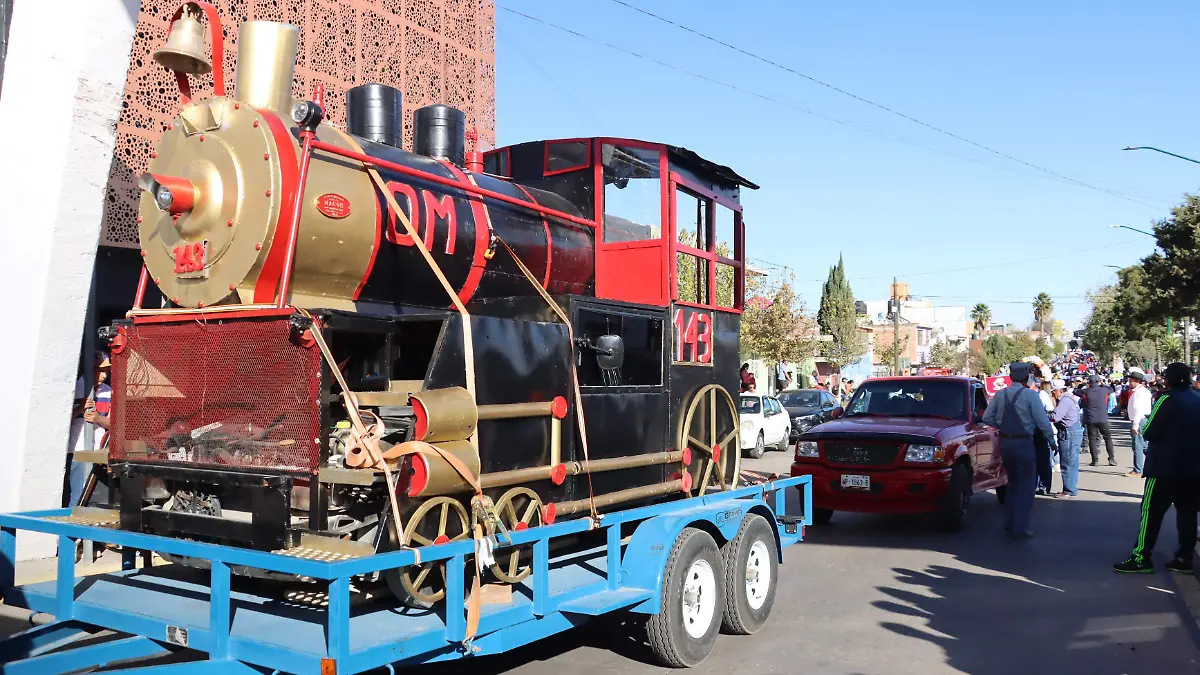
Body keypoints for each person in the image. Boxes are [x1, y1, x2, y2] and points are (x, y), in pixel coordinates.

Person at [1113, 363, 1200, 574]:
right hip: (1192, 470)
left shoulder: (1166, 399)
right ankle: (1185, 557)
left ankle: (1141, 556)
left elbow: (1149, 430)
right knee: (1187, 515)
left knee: (1150, 514)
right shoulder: (1197, 399)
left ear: (1168, 379)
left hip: (1163, 469)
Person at [983, 361, 1058, 539]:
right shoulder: (1031, 396)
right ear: (1027, 377)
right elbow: (1042, 422)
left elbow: (987, 417)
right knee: (1026, 486)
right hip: (1024, 442)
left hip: (1005, 443)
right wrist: (1051, 441)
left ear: (1010, 377)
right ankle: (1021, 527)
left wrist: (1001, 426)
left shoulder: (1000, 395)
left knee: (1012, 484)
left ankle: (1009, 522)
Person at [66, 351, 112, 507]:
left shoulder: (108, 391)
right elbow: (62, 422)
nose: (104, 375)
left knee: (95, 498)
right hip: (78, 450)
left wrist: (98, 418)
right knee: (79, 496)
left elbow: (113, 423)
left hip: (98, 452)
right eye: (100, 370)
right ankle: (73, 530)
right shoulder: (75, 386)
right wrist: (80, 408)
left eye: (106, 370)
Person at [1050, 379, 1082, 498]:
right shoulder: (1070, 399)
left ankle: (1068, 490)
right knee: (1072, 462)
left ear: (1059, 391)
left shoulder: (1064, 401)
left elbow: (1056, 417)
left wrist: (1045, 415)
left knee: (1067, 462)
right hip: (1073, 431)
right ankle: (1070, 488)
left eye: (1053, 392)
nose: (1052, 394)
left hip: (1068, 432)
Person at [1079, 376, 1116, 467]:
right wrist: (1103, 383)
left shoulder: (1086, 391)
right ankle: (1111, 458)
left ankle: (1095, 460)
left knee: (1092, 439)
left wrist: (1082, 384)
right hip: (1103, 418)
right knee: (1108, 439)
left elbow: (1075, 391)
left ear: (1090, 383)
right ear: (1099, 382)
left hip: (1091, 419)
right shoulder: (1104, 390)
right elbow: (1112, 389)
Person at [1125, 369, 1152, 478]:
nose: (1129, 382)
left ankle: (1138, 469)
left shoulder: (1139, 392)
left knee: (1138, 445)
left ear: (1136, 381)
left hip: (1139, 419)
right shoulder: (1141, 391)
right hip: (1140, 419)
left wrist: (1135, 425)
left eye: (1131, 380)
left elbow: (1138, 409)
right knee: (1144, 445)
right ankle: (1153, 463)